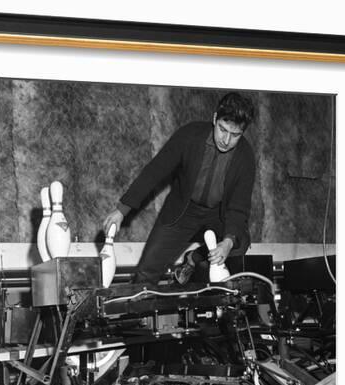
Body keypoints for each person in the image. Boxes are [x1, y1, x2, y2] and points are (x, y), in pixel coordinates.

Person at [103, 92, 256, 285]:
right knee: (146, 271)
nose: (226, 140)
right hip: (183, 211)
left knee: (239, 242)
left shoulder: (246, 157)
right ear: (215, 118)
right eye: (222, 130)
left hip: (218, 215)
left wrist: (227, 242)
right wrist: (122, 210)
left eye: (235, 135)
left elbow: (238, 207)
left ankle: (194, 258)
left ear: (243, 132)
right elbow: (155, 171)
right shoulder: (189, 135)